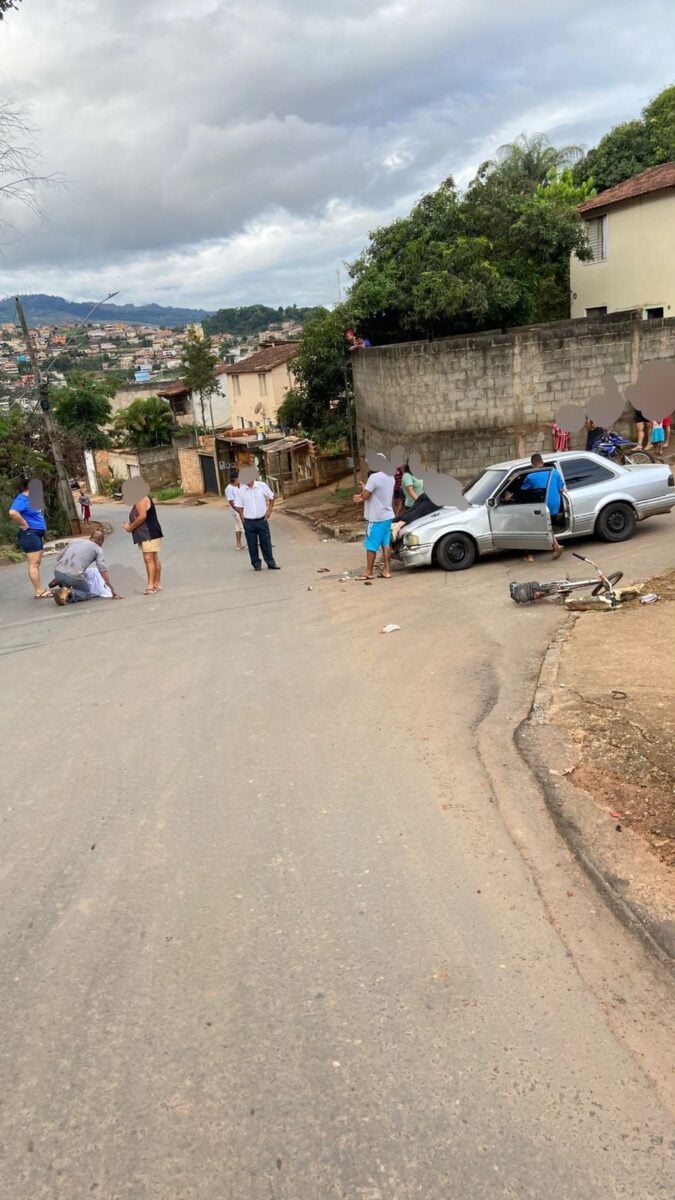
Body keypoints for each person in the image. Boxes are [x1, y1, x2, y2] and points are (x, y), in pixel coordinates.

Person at [51, 530, 122, 606]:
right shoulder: (98, 549)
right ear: (101, 543)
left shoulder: (74, 541)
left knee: (68, 576)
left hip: (57, 571)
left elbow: (58, 558)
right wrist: (112, 589)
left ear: (90, 538)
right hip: (73, 576)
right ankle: (68, 592)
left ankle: (60, 583)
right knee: (86, 594)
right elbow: (102, 570)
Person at [520, 453, 566, 561]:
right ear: (542, 462)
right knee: (548, 526)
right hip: (555, 506)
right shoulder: (554, 472)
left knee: (530, 529)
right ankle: (556, 545)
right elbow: (561, 489)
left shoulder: (530, 476)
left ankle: (529, 555)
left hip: (542, 507)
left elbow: (522, 492)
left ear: (532, 465)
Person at [7, 480, 50, 599]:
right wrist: (23, 522)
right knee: (34, 564)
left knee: (37, 563)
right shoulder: (22, 499)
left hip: (36, 533)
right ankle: (39, 591)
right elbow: (12, 512)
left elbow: (37, 515)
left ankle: (40, 589)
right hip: (29, 534)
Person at [353, 464, 395, 580]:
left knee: (371, 545)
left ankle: (368, 572)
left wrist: (363, 491)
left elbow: (366, 496)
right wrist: (366, 488)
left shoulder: (374, 477)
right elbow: (378, 493)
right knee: (385, 544)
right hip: (387, 516)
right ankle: (386, 570)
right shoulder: (390, 476)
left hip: (376, 517)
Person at [123, 488, 164, 594]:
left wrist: (130, 527)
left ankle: (150, 586)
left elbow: (142, 516)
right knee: (153, 558)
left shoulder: (140, 498)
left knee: (149, 559)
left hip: (149, 533)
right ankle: (157, 583)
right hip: (148, 532)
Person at [236, 476, 280, 570]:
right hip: (249, 521)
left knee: (266, 542)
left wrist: (269, 510)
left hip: (261, 520)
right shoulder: (241, 491)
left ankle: (270, 563)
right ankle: (256, 564)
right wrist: (243, 520)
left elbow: (271, 497)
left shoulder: (262, 486)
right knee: (252, 544)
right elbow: (240, 507)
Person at [225, 472, 244, 550]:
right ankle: (254, 543)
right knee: (244, 525)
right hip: (236, 510)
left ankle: (238, 544)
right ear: (235, 479)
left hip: (239, 509)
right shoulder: (229, 488)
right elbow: (231, 501)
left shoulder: (236, 487)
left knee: (238, 527)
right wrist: (238, 511)